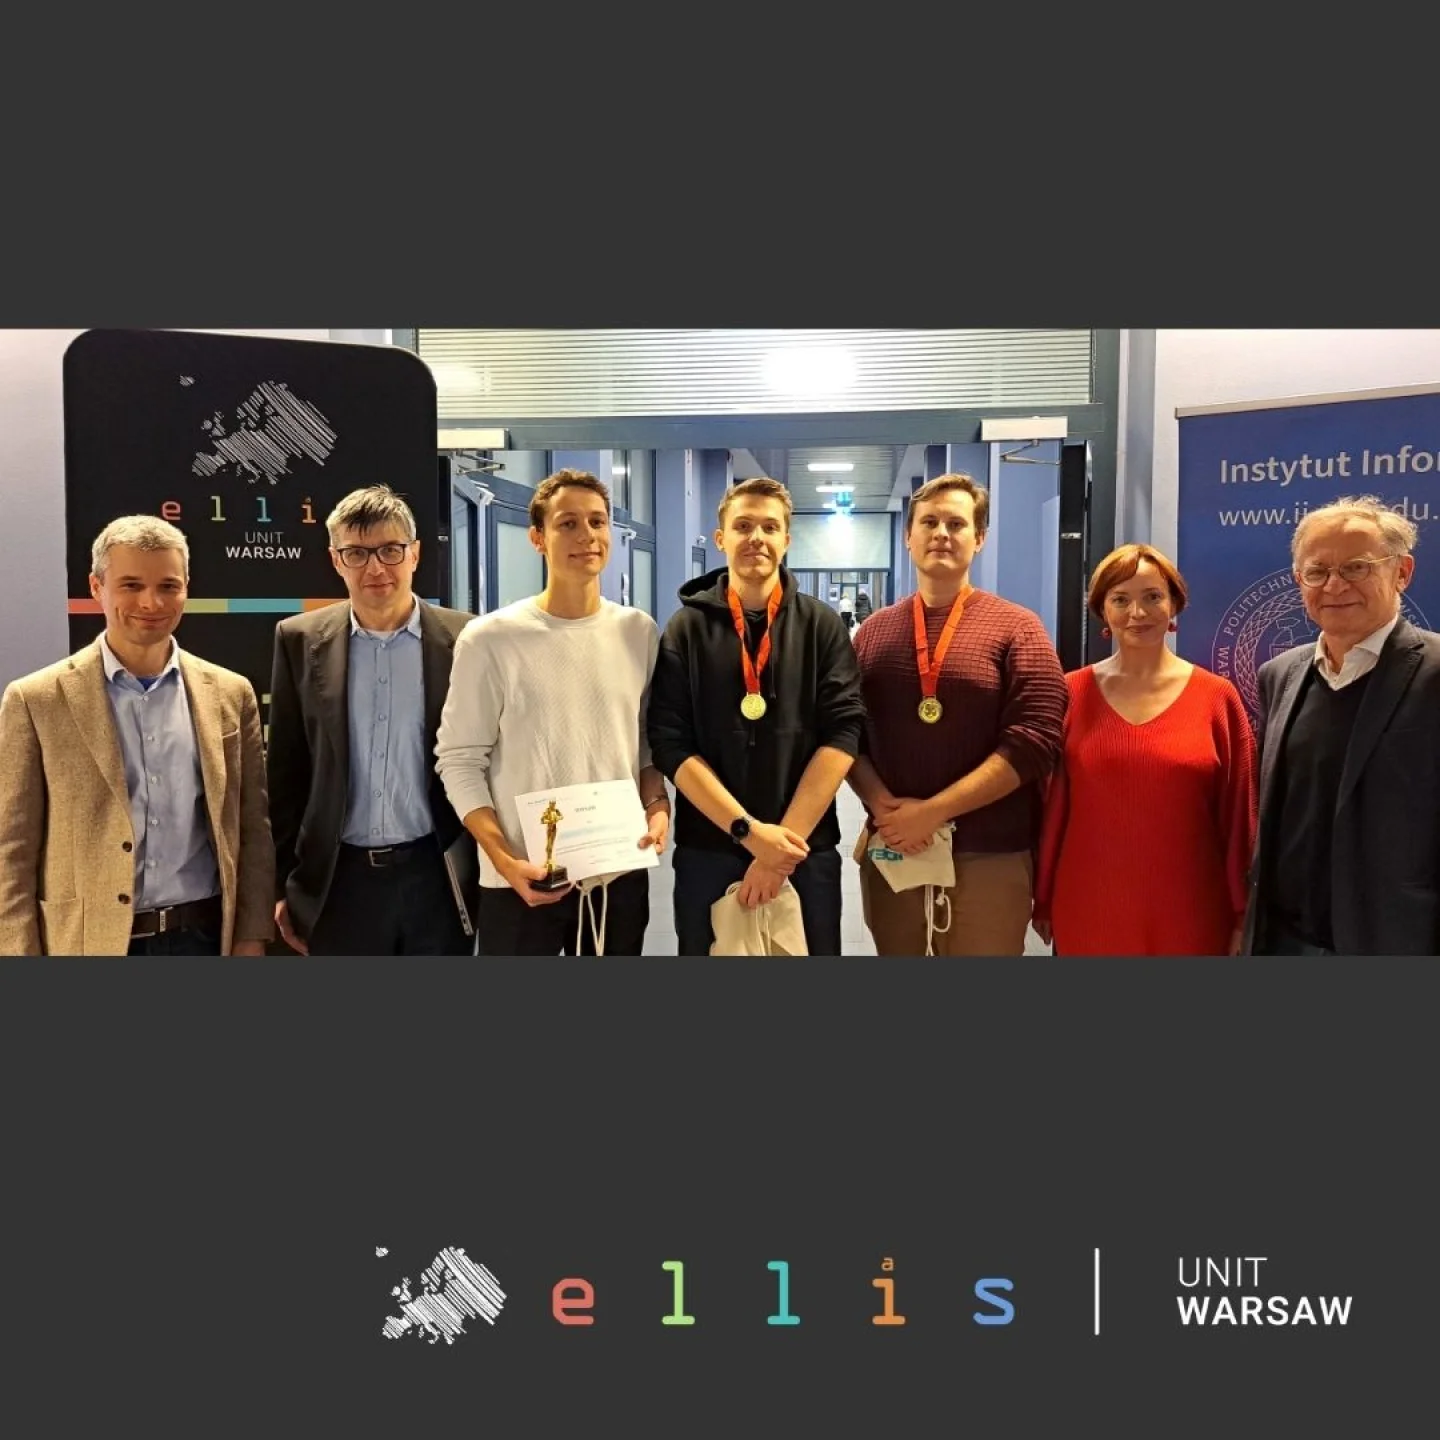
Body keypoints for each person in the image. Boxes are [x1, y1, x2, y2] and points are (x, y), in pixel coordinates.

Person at [0, 515, 274, 956]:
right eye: (131, 585)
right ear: (96, 587)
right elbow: (11, 850)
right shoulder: (36, 700)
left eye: (168, 586)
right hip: (88, 944)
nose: (151, 602)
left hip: (202, 940)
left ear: (186, 588)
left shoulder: (230, 693)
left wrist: (251, 934)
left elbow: (253, 830)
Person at [434, 469, 668, 955]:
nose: (587, 536)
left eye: (598, 522)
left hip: (615, 875)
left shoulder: (638, 632)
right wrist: (503, 859)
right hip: (521, 878)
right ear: (537, 538)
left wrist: (657, 805)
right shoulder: (490, 639)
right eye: (568, 524)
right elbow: (459, 761)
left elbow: (644, 742)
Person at [847, 474, 1067, 955]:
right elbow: (846, 733)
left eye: (956, 523)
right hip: (895, 846)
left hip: (989, 853)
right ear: (908, 536)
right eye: (929, 522)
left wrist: (932, 813)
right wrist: (881, 806)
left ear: (979, 538)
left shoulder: (1018, 628)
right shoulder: (872, 634)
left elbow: (1036, 740)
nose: (941, 534)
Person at [648, 477, 866, 955]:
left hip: (803, 850)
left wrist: (776, 854)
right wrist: (747, 832)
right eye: (743, 525)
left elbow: (844, 732)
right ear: (720, 537)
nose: (756, 538)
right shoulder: (686, 629)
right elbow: (670, 743)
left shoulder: (822, 626)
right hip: (709, 849)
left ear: (786, 539)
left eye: (769, 527)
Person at [266, 484, 476, 956]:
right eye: (357, 553)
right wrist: (280, 887)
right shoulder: (299, 640)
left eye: (390, 550)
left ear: (415, 554)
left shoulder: (467, 639)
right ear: (336, 560)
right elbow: (284, 774)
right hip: (340, 884)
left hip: (438, 875)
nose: (376, 568)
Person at [1032, 544, 1257, 956]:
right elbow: (1052, 807)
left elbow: (1239, 815)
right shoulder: (1070, 693)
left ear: (1174, 605)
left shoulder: (1217, 698)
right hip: (1089, 902)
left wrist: (1243, 911)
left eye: (1152, 596)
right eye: (1121, 599)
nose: (1138, 612)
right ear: (1103, 611)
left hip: (1193, 908)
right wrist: (1043, 896)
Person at [1243, 496, 1440, 956]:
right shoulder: (1279, 675)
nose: (1334, 585)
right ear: (1299, 581)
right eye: (1317, 571)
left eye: (1356, 568)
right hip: (1284, 943)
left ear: (1402, 572)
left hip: (1398, 944)